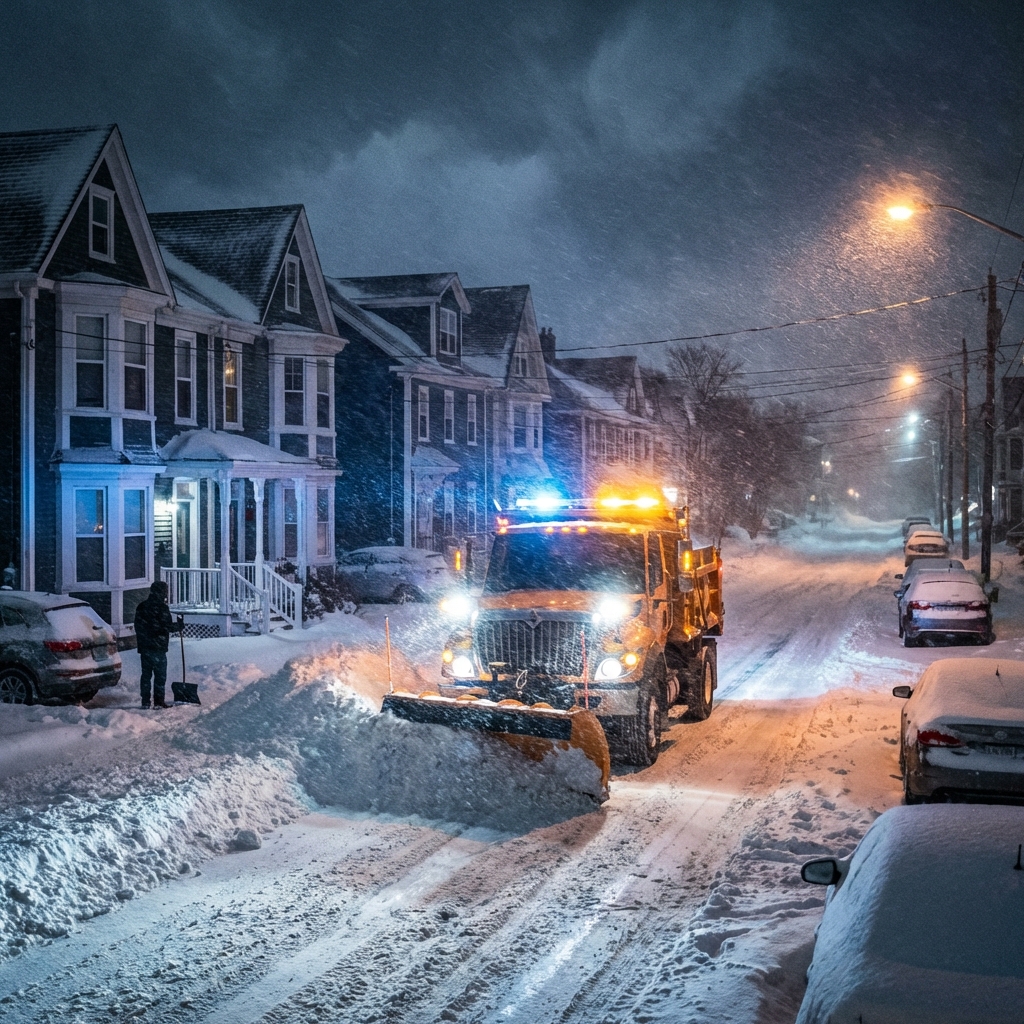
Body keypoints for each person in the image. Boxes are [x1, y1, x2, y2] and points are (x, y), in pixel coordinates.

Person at [133, 581, 184, 709]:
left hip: (145, 647)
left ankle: (145, 701)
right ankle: (158, 701)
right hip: (158, 647)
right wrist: (178, 626)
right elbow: (165, 627)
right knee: (160, 676)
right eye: (165, 591)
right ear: (162, 592)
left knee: (146, 675)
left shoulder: (142, 606)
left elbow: (138, 627)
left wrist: (145, 638)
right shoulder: (162, 608)